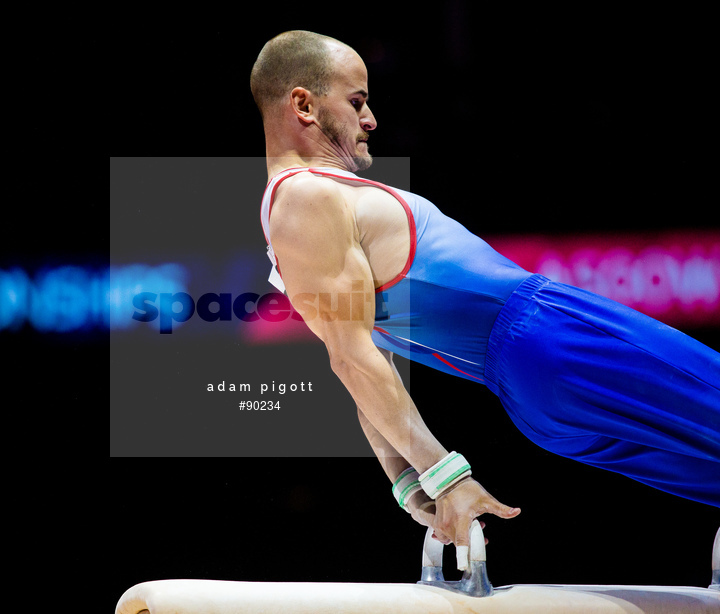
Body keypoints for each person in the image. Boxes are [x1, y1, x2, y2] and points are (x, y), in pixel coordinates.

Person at [250, 30, 720, 569]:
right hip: (550, 335)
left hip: (531, 398)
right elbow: (352, 360)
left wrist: (408, 480)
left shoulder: (287, 222)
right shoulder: (308, 198)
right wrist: (446, 477)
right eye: (357, 102)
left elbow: (363, 362)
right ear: (304, 105)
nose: (371, 119)